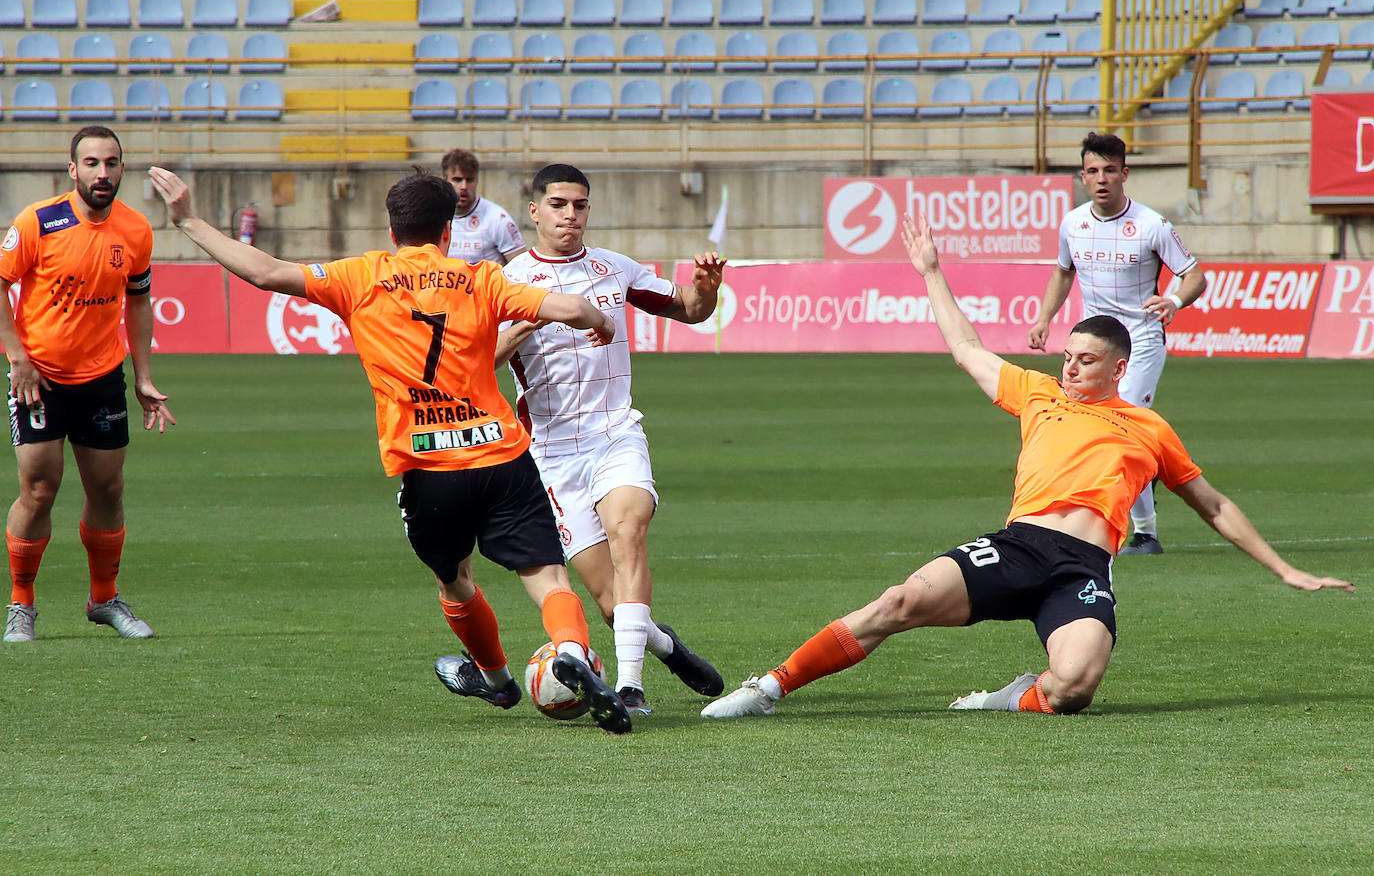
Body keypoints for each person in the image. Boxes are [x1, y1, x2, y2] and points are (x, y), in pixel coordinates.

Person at [701, 213, 1353, 720]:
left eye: (1084, 360)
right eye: (1067, 355)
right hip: (1018, 547)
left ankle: (1004, 699)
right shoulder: (1038, 392)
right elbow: (965, 348)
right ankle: (771, 686)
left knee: (1073, 688)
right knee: (899, 601)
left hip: (1082, 569)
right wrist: (931, 270)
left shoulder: (1150, 429)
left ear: (1119, 368)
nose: (1069, 366)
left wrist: (1286, 569)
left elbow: (1212, 504)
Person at [148, 165, 635, 735]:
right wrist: (599, 319)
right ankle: (572, 649)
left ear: (391, 228)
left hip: (427, 466)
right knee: (549, 576)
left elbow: (265, 272)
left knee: (454, 579)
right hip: (502, 455)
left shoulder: (361, 276)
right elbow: (572, 309)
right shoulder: (479, 279)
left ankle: (499, 681)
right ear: (448, 230)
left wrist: (188, 220)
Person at [494, 163, 726, 715]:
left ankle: (630, 688)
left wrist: (706, 290)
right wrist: (536, 318)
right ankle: (664, 645)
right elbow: (477, 362)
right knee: (610, 603)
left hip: (615, 433)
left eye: (579, 205)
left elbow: (690, 312)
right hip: (550, 453)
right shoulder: (506, 282)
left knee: (629, 531)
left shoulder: (613, 269)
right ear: (534, 211)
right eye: (557, 205)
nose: (569, 215)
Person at [1, 126, 176, 644]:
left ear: (123, 169)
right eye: (93, 163)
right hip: (40, 379)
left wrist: (142, 376)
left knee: (108, 489)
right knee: (38, 488)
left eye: (113, 163)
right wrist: (17, 358)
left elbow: (139, 302)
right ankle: (22, 604)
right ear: (72, 169)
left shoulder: (136, 230)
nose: (104, 173)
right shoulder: (38, 221)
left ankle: (103, 599)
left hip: (102, 379)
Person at [1027, 131, 1209, 556]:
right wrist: (1043, 319)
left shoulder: (1151, 225)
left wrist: (1174, 300)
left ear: (1124, 173)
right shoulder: (1072, 223)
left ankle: (1144, 531)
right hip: (1096, 345)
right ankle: (1108, 520)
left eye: (1110, 169)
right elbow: (1062, 273)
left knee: (1123, 425)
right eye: (1093, 171)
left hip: (1141, 341)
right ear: (1083, 177)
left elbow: (1195, 276)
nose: (1101, 178)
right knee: (1099, 427)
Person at [441, 149, 525, 266]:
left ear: (477, 181)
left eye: (470, 180)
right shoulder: (434, 217)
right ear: (445, 180)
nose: (464, 186)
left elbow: (521, 268)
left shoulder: (497, 218)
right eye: (457, 180)